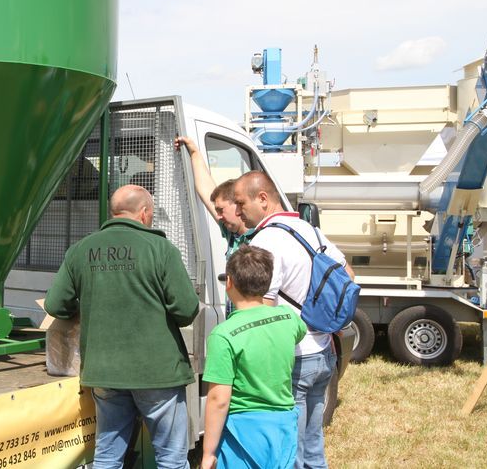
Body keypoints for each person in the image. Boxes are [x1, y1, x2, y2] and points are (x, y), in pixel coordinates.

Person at [45, 184, 199, 469]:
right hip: (158, 372)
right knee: (171, 460)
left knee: (107, 457)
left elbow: (56, 304)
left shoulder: (81, 250)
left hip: (104, 371)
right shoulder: (162, 249)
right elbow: (186, 309)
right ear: (144, 214)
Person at [232, 171, 354, 469]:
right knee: (313, 445)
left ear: (262, 199)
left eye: (240, 203)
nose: (237, 211)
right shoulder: (307, 228)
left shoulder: (266, 239)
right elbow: (348, 275)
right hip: (324, 352)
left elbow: (265, 306)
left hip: (295, 359)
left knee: (292, 450)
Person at [201, 245, 306, 469]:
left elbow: (218, 399)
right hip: (284, 426)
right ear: (267, 283)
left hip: (244, 430)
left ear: (229, 282)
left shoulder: (223, 335)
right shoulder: (288, 318)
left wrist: (208, 453)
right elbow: (299, 332)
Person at [174, 137, 250, 258]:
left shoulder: (260, 238)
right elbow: (205, 188)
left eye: (221, 210)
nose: (218, 216)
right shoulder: (231, 232)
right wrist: (194, 153)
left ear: (238, 204)